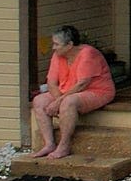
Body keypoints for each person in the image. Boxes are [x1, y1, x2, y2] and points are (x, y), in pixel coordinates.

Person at [30, 24, 116, 158]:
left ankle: (64, 146)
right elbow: (51, 82)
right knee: (39, 101)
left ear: (69, 45)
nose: (53, 47)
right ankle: (49, 144)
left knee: (68, 102)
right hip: (67, 91)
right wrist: (58, 99)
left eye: (56, 44)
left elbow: (82, 84)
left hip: (96, 91)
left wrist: (58, 102)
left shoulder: (88, 53)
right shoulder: (58, 55)